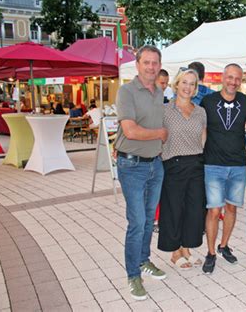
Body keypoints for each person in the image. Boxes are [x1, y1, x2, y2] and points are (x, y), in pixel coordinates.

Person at [114, 45, 168, 301]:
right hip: (132, 166)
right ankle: (133, 274)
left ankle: (144, 260)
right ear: (137, 65)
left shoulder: (159, 93)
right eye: (146, 62)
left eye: (155, 63)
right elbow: (131, 130)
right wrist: (159, 134)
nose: (151, 67)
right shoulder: (126, 92)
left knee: (148, 220)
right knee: (136, 222)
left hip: (155, 164)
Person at [200, 63, 246, 274]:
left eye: (237, 78)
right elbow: (200, 127)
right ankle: (211, 252)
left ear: (241, 80)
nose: (233, 82)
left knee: (231, 208)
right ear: (223, 77)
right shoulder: (208, 101)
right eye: (230, 77)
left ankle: (224, 246)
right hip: (213, 164)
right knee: (214, 210)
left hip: (238, 165)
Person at [157, 68, 207, 269]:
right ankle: (175, 252)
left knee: (194, 210)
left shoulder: (201, 111)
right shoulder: (164, 110)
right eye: (184, 82)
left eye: (192, 84)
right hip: (173, 164)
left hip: (196, 164)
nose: (188, 87)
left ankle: (187, 248)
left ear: (196, 88)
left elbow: (204, 138)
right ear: (176, 84)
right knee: (173, 210)